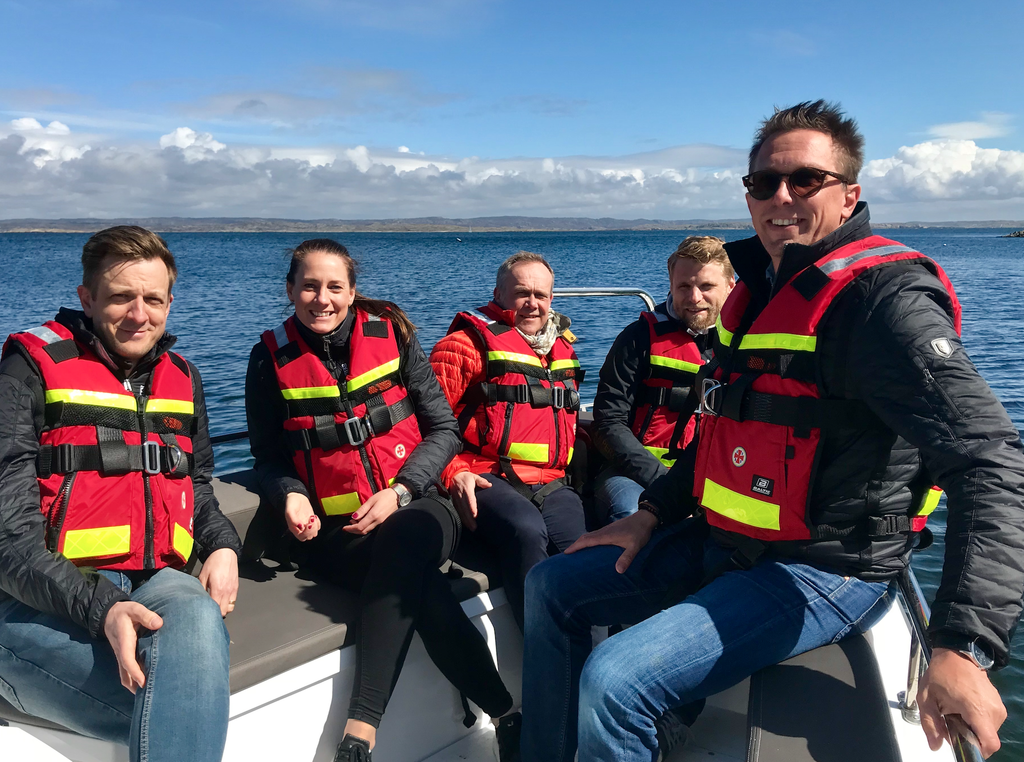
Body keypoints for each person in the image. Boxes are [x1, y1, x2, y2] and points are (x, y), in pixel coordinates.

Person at [520, 100, 1024, 762]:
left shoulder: (883, 304)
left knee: (617, 679)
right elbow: (723, 430)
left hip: (826, 567)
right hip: (727, 537)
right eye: (763, 183)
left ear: (849, 196)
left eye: (806, 180)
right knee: (551, 586)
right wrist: (651, 513)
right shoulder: (755, 292)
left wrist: (965, 644)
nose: (780, 197)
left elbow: (990, 464)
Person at [245, 239, 517, 762]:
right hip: (336, 531)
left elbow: (444, 430)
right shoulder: (268, 358)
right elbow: (268, 458)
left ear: (352, 292)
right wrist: (292, 494)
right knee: (422, 589)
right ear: (289, 290)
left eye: (334, 287)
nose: (321, 299)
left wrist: (401, 490)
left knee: (406, 540)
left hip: (421, 506)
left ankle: (361, 729)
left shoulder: (392, 335)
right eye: (308, 286)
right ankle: (506, 714)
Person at [0, 226, 241, 762]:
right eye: (120, 297)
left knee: (196, 621)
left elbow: (194, 484)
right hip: (38, 596)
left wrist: (223, 544)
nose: (139, 315)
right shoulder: (27, 369)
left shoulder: (184, 377)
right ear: (86, 298)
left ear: (170, 302)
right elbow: (7, 535)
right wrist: (101, 606)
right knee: (182, 716)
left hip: (153, 581)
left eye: (153, 299)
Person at [430, 251, 587, 631]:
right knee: (526, 531)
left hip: (550, 481)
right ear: (498, 294)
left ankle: (578, 660)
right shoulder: (461, 346)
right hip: (483, 475)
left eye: (542, 295)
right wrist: (452, 473)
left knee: (581, 551)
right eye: (521, 293)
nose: (532, 303)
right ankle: (538, 648)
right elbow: (426, 425)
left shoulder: (561, 348)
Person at [591, 236, 734, 523]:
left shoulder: (747, 346)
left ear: (731, 286)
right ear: (671, 284)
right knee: (631, 514)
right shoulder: (637, 338)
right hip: (637, 474)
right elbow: (608, 421)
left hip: (718, 477)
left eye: (706, 286)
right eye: (684, 286)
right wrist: (664, 481)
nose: (694, 298)